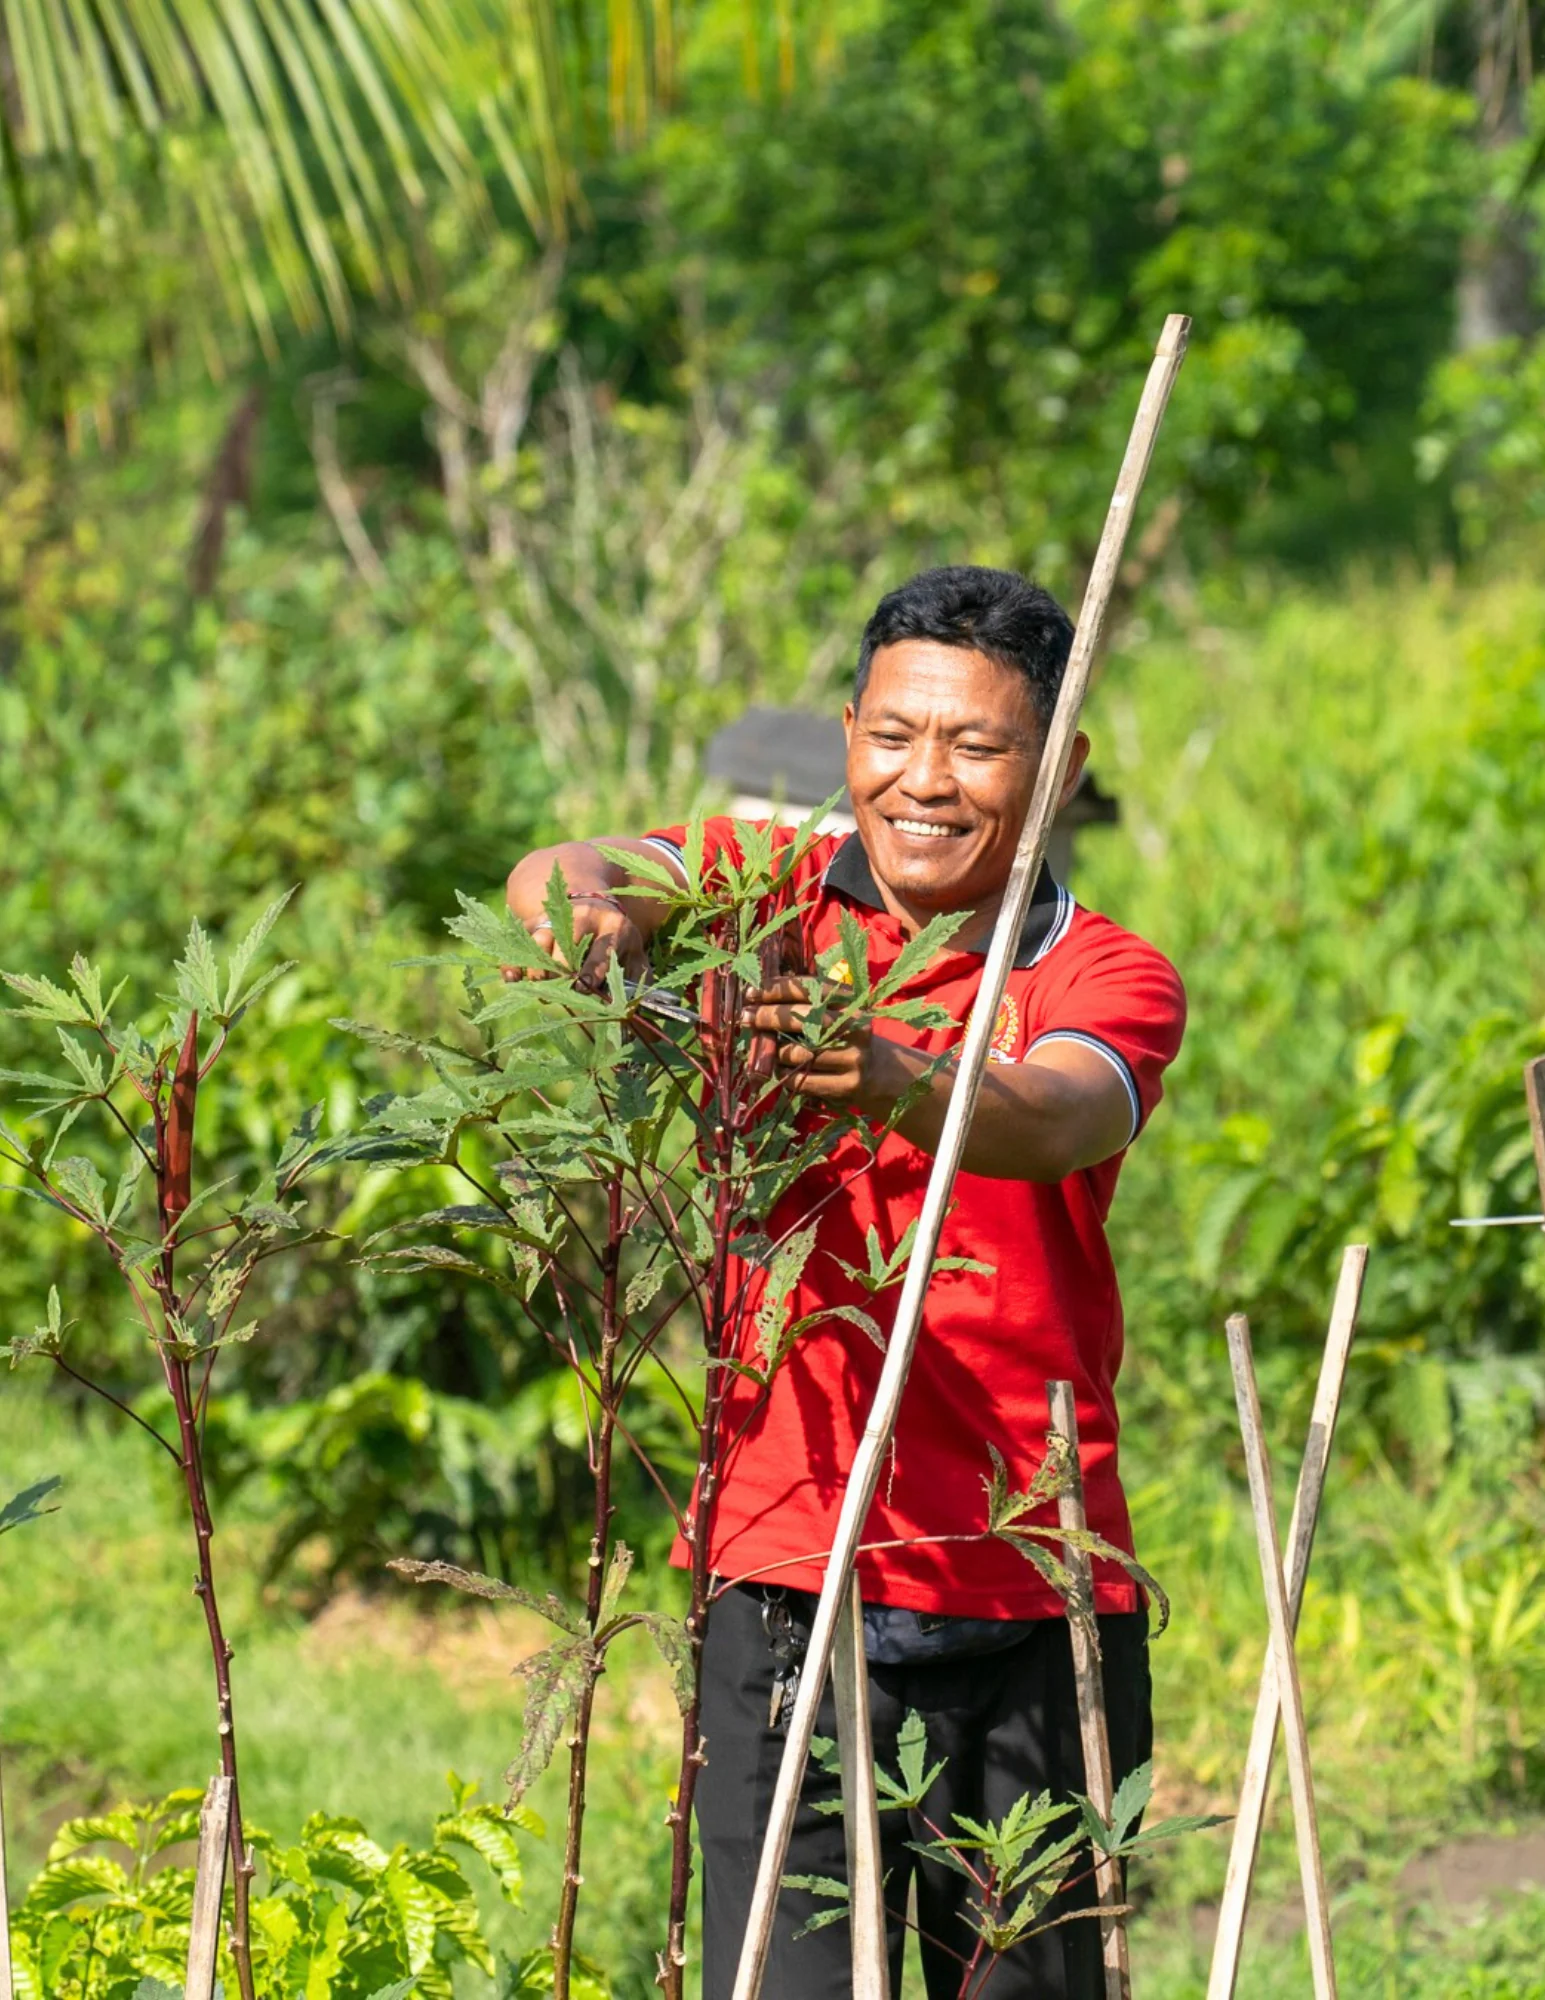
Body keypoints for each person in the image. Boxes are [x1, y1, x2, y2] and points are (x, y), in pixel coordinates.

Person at [505, 565, 1186, 1999]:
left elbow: (1056, 1111)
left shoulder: (1103, 972)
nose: (922, 781)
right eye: (890, 736)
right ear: (847, 733)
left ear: (1058, 770)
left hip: (1032, 1578)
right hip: (785, 1571)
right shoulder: (764, 897)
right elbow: (569, 871)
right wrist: (596, 940)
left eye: (976, 747)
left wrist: (893, 1076)